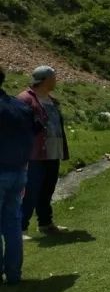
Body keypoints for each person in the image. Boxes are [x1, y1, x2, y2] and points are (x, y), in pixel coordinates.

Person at [18, 66, 69, 235]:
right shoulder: (25, 99)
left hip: (53, 151)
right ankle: (20, 228)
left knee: (48, 188)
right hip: (34, 153)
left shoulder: (52, 99)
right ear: (44, 80)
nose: (55, 81)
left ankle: (45, 224)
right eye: (53, 78)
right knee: (30, 190)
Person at [0, 66, 36, 284]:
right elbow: (37, 130)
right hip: (19, 170)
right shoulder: (19, 106)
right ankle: (14, 274)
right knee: (12, 222)